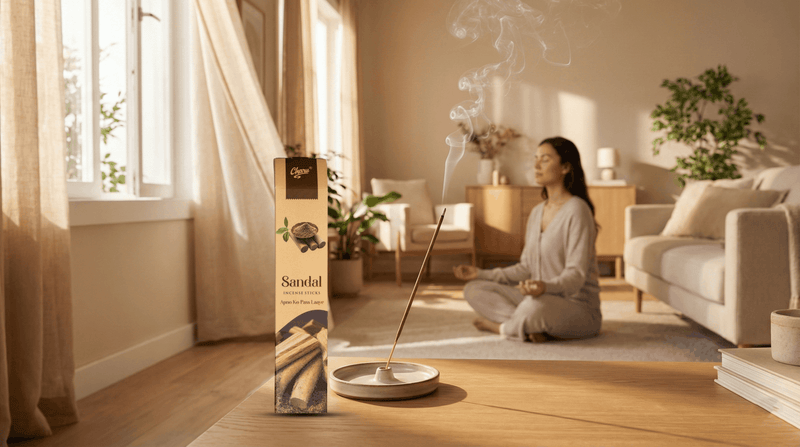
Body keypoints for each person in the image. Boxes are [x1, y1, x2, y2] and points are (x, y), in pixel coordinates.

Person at [454, 136, 602, 342]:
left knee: (534, 306)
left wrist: (544, 287)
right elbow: (526, 268)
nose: (536, 165)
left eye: (545, 159)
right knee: (474, 289)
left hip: (577, 307)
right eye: (536, 158)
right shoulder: (537, 212)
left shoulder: (578, 210)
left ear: (566, 167)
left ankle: (504, 328)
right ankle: (530, 327)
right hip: (540, 298)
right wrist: (480, 273)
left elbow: (575, 276)